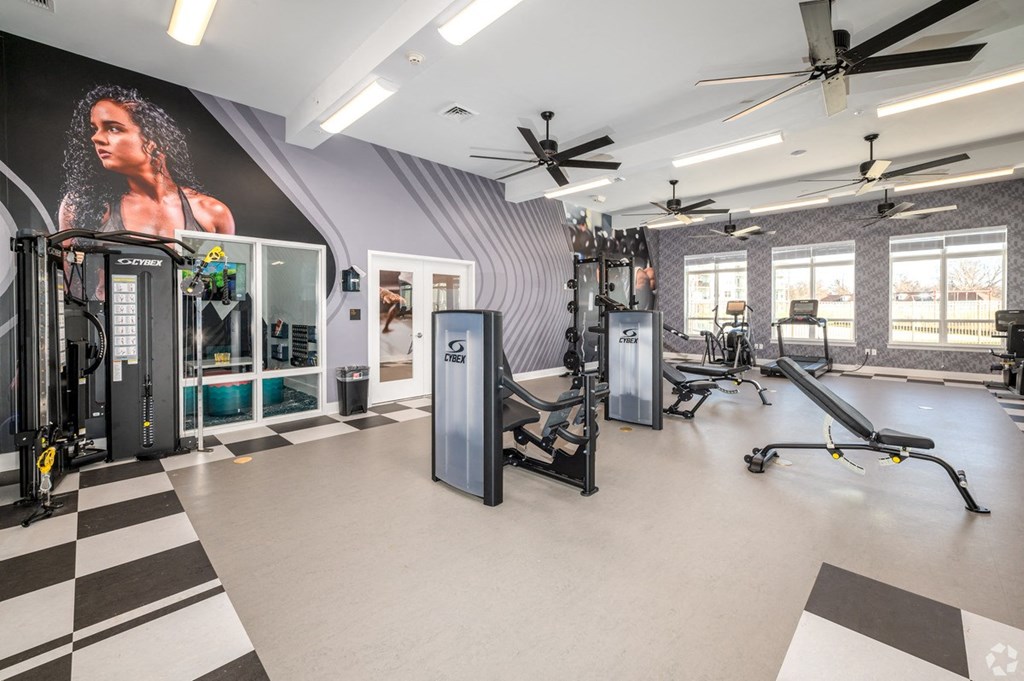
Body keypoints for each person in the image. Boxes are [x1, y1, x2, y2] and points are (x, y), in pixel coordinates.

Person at [58, 84, 234, 237]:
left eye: (113, 128)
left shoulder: (212, 212)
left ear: (153, 139)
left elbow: (225, 274)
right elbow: (70, 275)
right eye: (94, 129)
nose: (96, 138)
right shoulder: (83, 204)